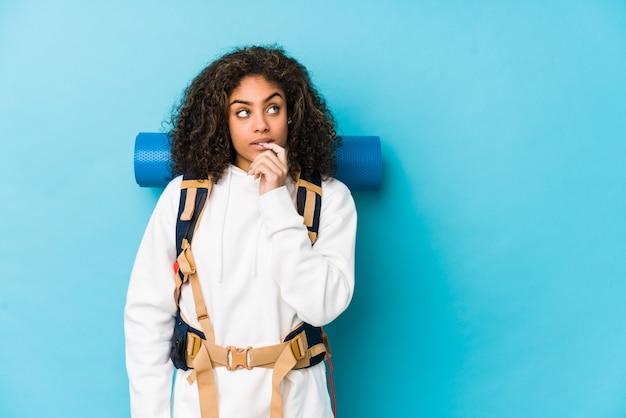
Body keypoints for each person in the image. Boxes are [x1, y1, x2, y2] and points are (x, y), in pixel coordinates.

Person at [124, 45, 357, 418]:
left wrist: (276, 199)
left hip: (298, 404)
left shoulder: (330, 198)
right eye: (243, 112)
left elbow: (322, 305)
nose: (260, 124)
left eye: (273, 108)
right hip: (201, 404)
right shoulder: (184, 197)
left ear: (292, 115)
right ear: (223, 120)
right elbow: (146, 316)